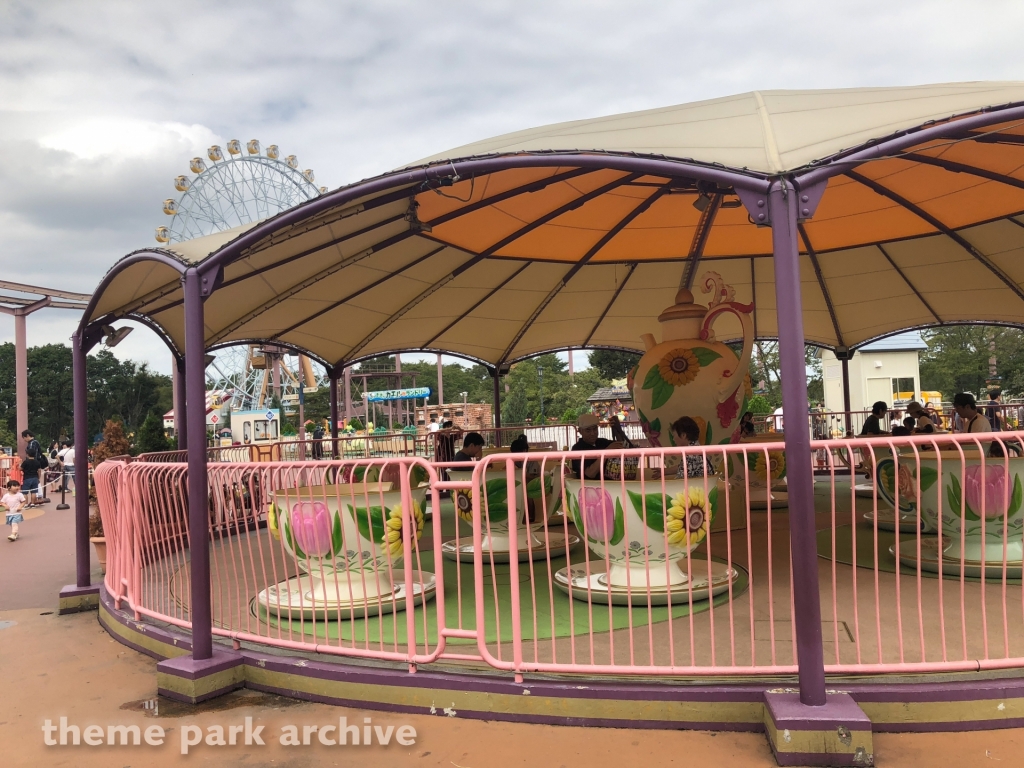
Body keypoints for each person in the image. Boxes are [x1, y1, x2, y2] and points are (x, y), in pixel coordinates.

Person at [570, 414, 621, 480]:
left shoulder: (602, 442)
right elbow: (590, 474)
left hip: (610, 485)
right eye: (588, 430)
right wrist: (606, 452)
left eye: (595, 429)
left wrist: (617, 429)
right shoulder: (577, 449)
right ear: (580, 431)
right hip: (589, 487)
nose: (592, 433)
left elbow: (620, 444)